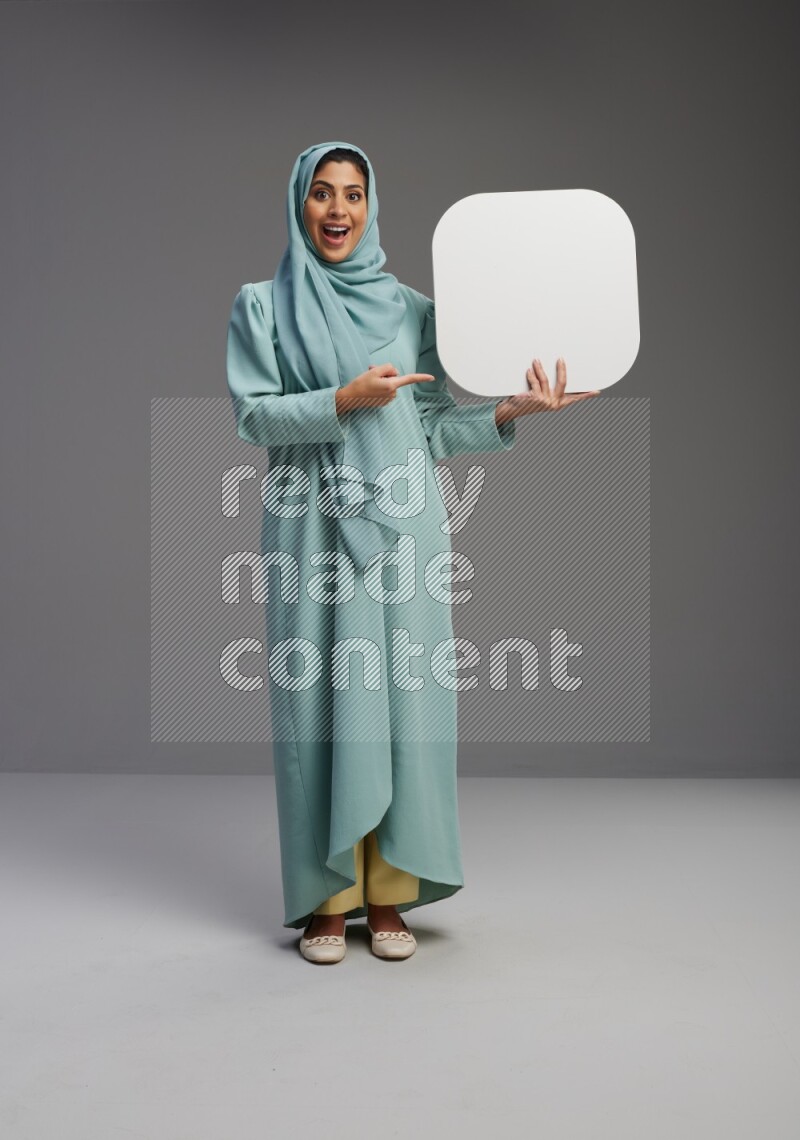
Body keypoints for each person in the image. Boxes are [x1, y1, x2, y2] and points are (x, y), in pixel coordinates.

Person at [225, 140, 599, 965]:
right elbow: (252, 416)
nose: (338, 209)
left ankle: (391, 893)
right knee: (319, 707)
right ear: (299, 202)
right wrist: (339, 400)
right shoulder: (263, 306)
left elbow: (431, 427)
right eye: (322, 193)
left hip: (405, 529)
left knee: (404, 704)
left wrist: (511, 411)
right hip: (313, 526)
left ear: (371, 205)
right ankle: (328, 902)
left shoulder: (411, 310)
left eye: (353, 194)